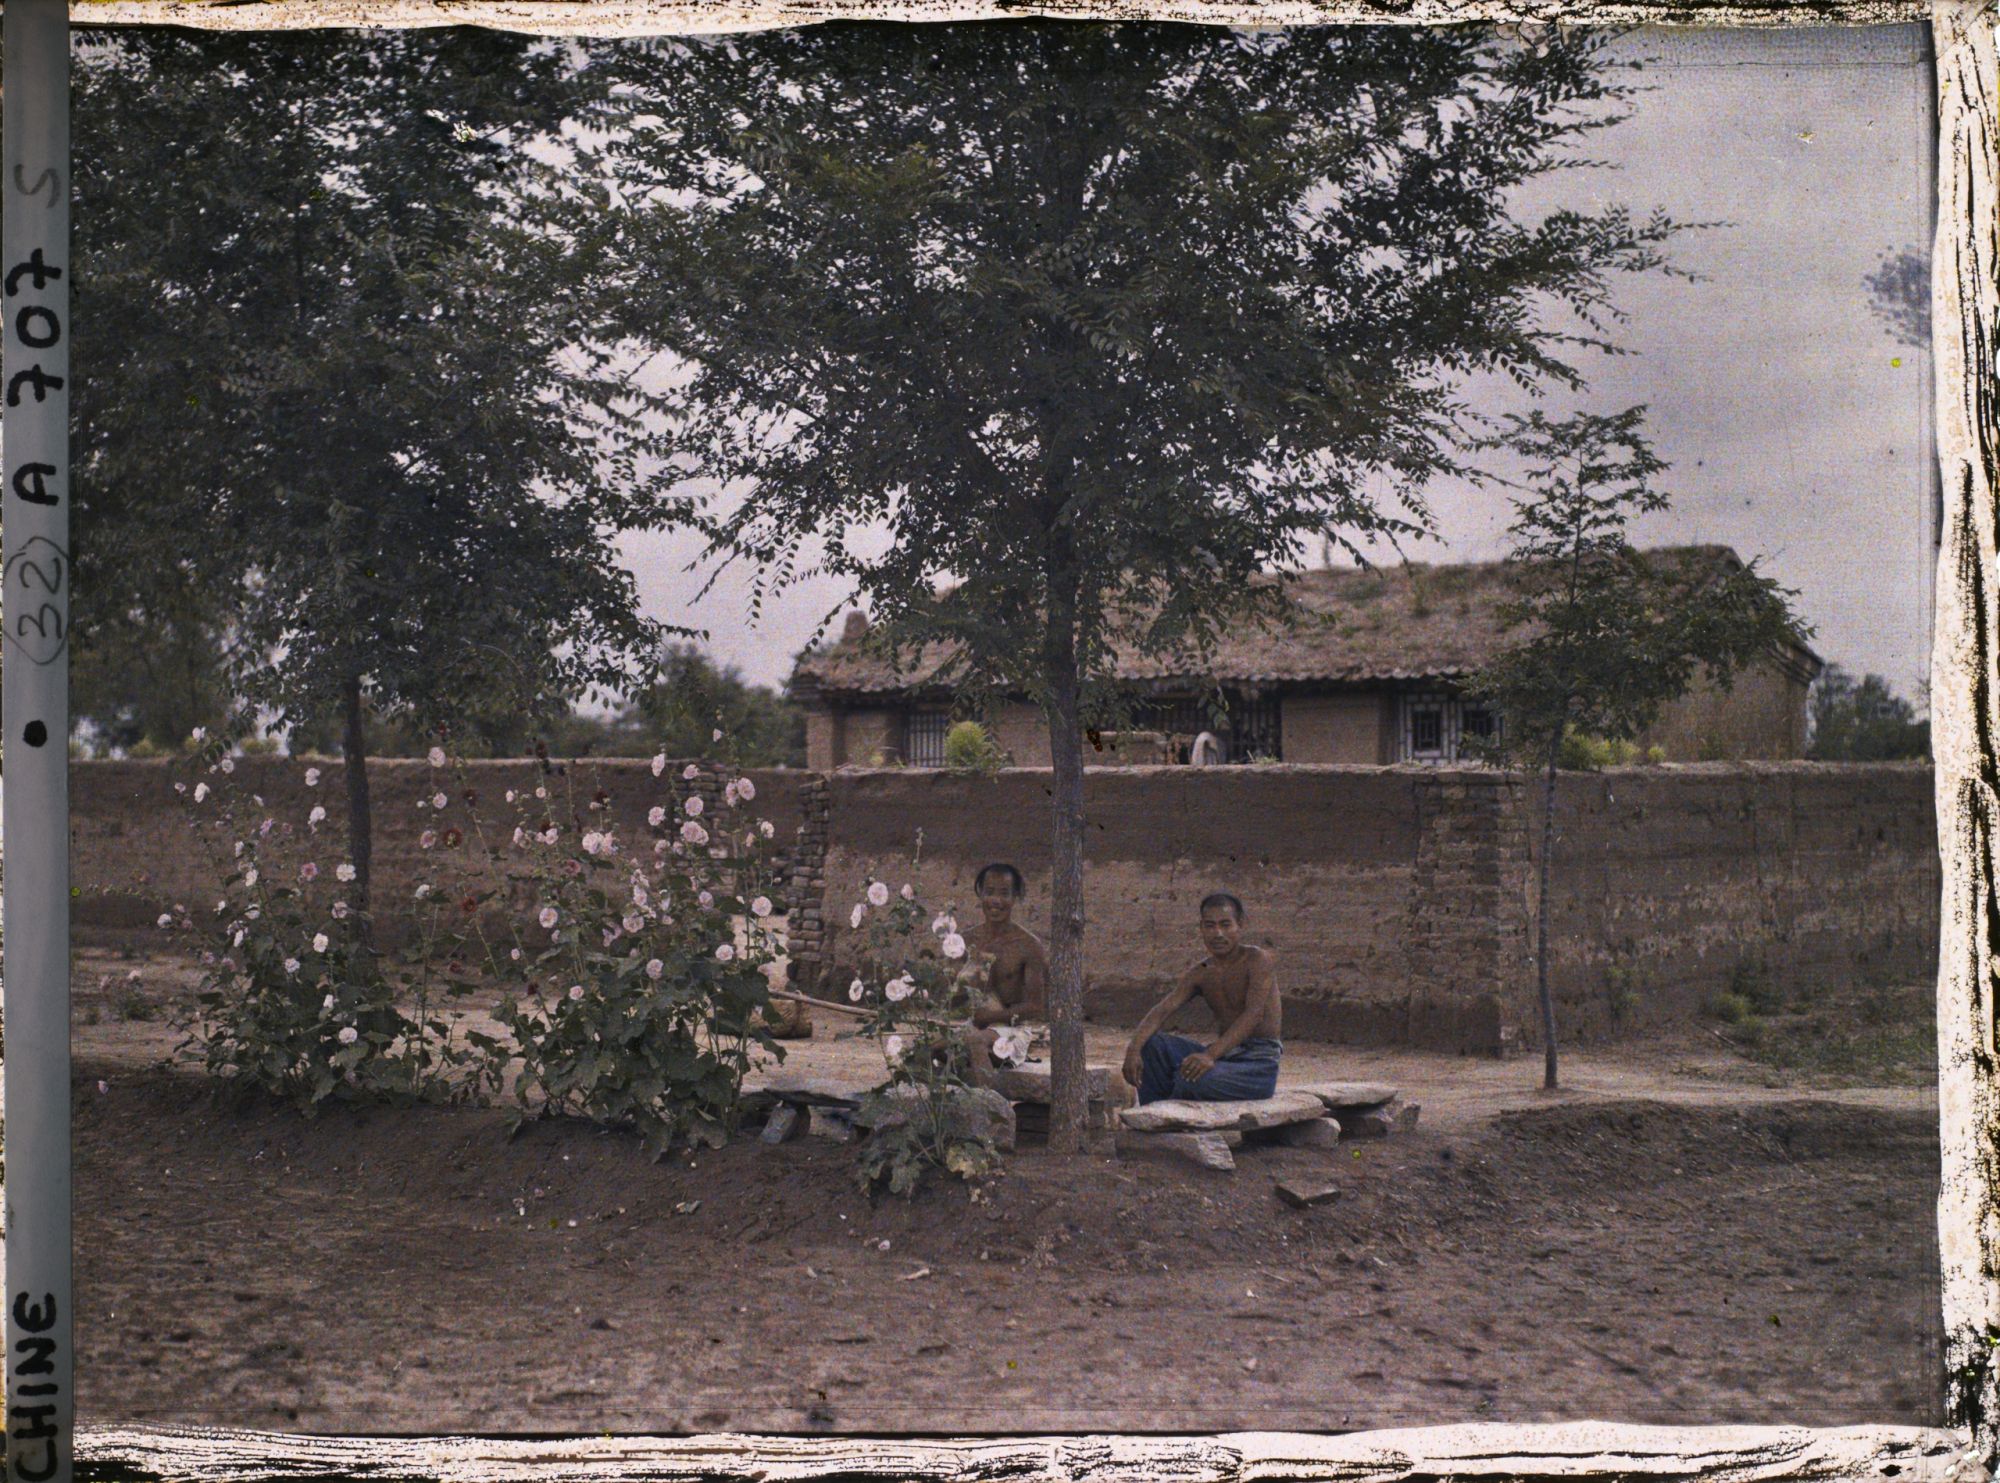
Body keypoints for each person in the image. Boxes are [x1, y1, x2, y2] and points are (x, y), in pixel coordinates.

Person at [1120, 893, 1281, 1104]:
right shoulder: (1202, 971)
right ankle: (1156, 1121)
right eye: (1210, 926)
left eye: (1225, 925)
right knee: (1153, 1046)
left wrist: (1210, 1055)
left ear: (1239, 925)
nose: (1218, 934)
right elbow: (1163, 1010)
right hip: (1223, 1056)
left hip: (1257, 1064)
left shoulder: (1257, 960)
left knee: (1191, 1080)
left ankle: (1171, 1111)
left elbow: (1253, 1015)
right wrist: (1133, 1050)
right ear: (1201, 928)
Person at [959, 861, 1048, 1072]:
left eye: (1004, 893)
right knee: (928, 1046)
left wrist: (990, 1017)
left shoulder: (1029, 945)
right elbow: (953, 998)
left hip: (1013, 1030)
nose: (996, 901)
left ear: (1014, 897)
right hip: (976, 1026)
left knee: (976, 1043)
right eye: (989, 892)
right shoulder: (967, 940)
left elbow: (1036, 1006)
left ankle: (990, 1105)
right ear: (980, 895)